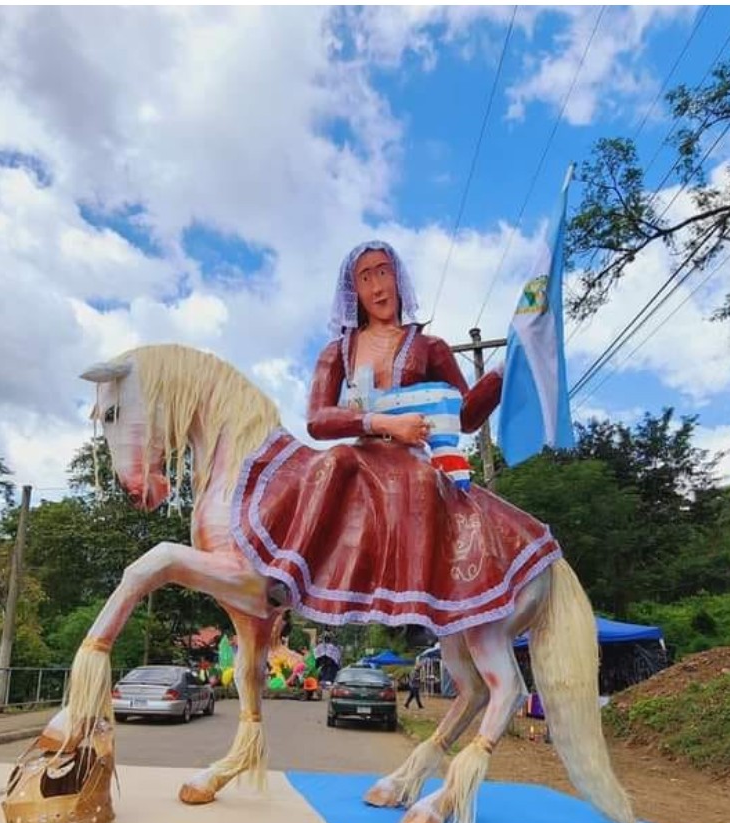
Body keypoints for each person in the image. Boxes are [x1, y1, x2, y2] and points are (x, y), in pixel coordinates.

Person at [236, 241, 556, 636]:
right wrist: (382, 423)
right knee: (335, 459)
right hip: (362, 452)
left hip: (411, 457)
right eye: (366, 277)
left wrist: (507, 368)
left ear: (399, 280)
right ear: (354, 292)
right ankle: (289, 571)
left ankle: (419, 601)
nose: (378, 286)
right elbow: (318, 420)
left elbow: (467, 416)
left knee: (423, 481)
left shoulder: (429, 347)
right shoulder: (338, 352)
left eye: (384, 272)